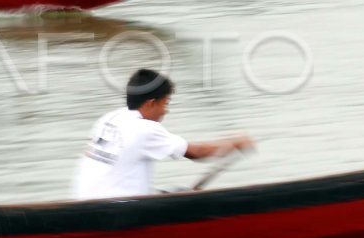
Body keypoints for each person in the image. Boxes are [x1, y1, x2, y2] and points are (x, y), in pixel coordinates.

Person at [73, 69, 255, 200]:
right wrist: (234, 144)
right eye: (165, 104)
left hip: (85, 203)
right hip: (118, 212)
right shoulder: (144, 128)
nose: (165, 111)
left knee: (177, 193)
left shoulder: (109, 118)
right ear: (151, 103)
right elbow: (197, 153)